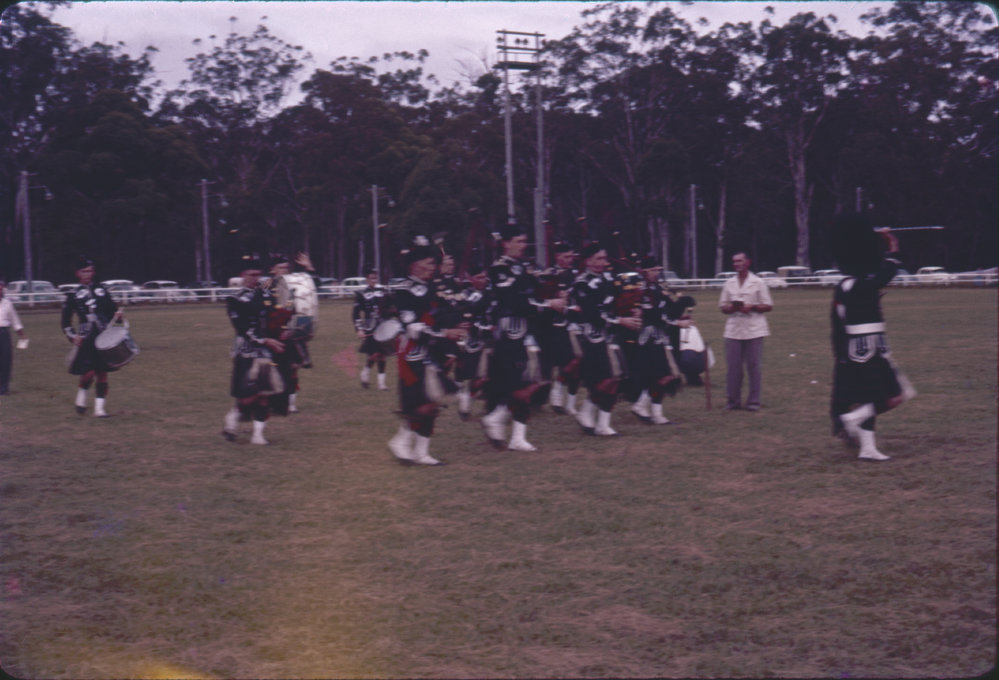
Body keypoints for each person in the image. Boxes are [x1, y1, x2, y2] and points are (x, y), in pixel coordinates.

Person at [830, 215, 916, 461]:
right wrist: (891, 244)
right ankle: (850, 420)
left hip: (863, 347)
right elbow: (888, 268)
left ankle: (867, 447)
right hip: (866, 348)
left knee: (874, 396)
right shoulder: (859, 284)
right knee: (895, 395)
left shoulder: (846, 285)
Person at [387, 237, 467, 465]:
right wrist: (445, 334)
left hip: (434, 351)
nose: (433, 268)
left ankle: (422, 452)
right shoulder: (403, 290)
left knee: (435, 400)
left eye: (434, 264)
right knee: (422, 402)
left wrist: (456, 325)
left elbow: (440, 317)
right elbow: (413, 328)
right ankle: (401, 440)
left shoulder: (433, 288)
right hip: (412, 353)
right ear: (415, 264)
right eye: (429, 263)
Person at [480, 224, 555, 451]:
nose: (523, 246)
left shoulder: (524, 267)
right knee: (520, 382)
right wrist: (548, 304)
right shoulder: (499, 269)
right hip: (510, 331)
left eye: (524, 242)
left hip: (528, 330)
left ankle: (517, 436)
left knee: (537, 378)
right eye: (518, 242)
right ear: (506, 243)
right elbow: (514, 301)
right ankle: (498, 417)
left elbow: (534, 293)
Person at [568, 241, 642, 436]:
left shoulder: (609, 279)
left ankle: (602, 423)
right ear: (587, 261)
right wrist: (621, 320)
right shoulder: (581, 284)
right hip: (593, 337)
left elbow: (619, 301)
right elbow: (593, 314)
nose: (603, 262)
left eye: (604, 258)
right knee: (605, 378)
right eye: (598, 258)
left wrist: (633, 307)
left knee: (616, 378)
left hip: (611, 336)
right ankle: (588, 412)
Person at [222, 257, 292, 445]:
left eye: (258, 275)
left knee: (265, 393)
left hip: (265, 351)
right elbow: (242, 328)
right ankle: (232, 418)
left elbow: (275, 315)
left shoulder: (265, 293)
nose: (256, 278)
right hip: (245, 351)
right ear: (242, 275)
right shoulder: (235, 299)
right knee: (247, 396)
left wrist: (283, 331)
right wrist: (266, 340)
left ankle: (258, 435)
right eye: (252, 275)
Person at [619, 255, 684, 425]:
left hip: (660, 336)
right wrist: (676, 321)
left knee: (662, 375)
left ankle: (655, 411)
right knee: (663, 374)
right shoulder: (640, 290)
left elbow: (666, 310)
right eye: (653, 270)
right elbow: (654, 315)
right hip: (647, 337)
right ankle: (643, 405)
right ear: (645, 271)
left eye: (658, 270)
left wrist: (680, 308)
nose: (656, 273)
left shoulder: (657, 289)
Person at [61, 257, 122, 417]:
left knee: (102, 372)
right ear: (77, 274)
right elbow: (65, 323)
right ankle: (81, 399)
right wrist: (73, 336)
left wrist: (118, 316)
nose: (88, 274)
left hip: (103, 335)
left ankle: (99, 409)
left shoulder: (101, 290)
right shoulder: (72, 295)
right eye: (84, 271)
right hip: (85, 338)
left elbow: (111, 311)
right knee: (87, 373)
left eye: (90, 271)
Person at [718, 252, 773, 411]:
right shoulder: (729, 283)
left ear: (747, 262)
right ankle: (732, 401)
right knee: (733, 368)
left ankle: (753, 402)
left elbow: (768, 305)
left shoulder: (758, 282)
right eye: (734, 261)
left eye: (740, 261)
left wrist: (753, 307)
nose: (737, 264)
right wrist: (732, 307)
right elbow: (723, 307)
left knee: (754, 367)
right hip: (734, 330)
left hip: (754, 329)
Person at [536, 241, 583, 415]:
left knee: (578, 362)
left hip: (576, 323)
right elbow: (540, 299)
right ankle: (555, 388)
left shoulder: (577, 275)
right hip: (555, 325)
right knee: (566, 361)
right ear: (557, 257)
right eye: (566, 257)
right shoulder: (548, 275)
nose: (569, 260)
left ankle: (570, 402)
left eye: (571, 256)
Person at [269, 252, 319, 411]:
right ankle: (274, 399)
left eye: (286, 267)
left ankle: (291, 403)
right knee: (273, 368)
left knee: (293, 367)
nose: (284, 270)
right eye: (280, 267)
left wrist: (309, 268)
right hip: (273, 334)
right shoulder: (267, 284)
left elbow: (313, 285)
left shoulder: (293, 283)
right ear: (272, 269)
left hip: (292, 333)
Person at [453, 264, 495, 420]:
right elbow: (461, 316)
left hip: (492, 339)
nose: (483, 280)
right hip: (473, 340)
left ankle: (491, 405)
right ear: (470, 279)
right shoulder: (464, 295)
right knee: (475, 377)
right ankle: (466, 399)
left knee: (489, 374)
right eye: (479, 277)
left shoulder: (492, 292)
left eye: (484, 276)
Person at [352, 269, 391, 390]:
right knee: (373, 355)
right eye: (371, 278)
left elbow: (390, 308)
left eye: (375, 278)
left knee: (382, 355)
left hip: (383, 327)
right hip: (370, 327)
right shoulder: (361, 293)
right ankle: (365, 373)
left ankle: (381, 383)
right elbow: (356, 313)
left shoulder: (383, 291)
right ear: (367, 279)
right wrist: (359, 329)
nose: (374, 280)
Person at [0, 280, 27, 395]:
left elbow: (15, 320)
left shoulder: (7, 303)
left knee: (6, 361)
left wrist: (21, 335)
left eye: (1, 288)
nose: (0, 290)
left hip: (4, 334)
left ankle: (4, 388)